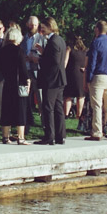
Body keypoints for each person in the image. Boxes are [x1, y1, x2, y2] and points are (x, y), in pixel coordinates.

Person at [84, 20, 107, 141]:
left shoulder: (96, 43)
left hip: (99, 76)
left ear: (97, 29)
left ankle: (97, 132)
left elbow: (92, 63)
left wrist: (88, 79)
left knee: (97, 105)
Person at [35, 17, 66, 145]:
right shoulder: (60, 40)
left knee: (48, 107)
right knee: (58, 107)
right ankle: (60, 135)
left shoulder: (53, 41)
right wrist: (43, 52)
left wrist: (38, 59)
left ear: (50, 26)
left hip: (52, 79)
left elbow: (54, 61)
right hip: (59, 78)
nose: (41, 30)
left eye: (43, 27)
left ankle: (49, 136)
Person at [0, 25, 30, 144]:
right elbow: (23, 68)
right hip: (18, 84)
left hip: (7, 83)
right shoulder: (19, 51)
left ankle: (5, 137)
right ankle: (21, 137)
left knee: (6, 109)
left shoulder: (3, 50)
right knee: (20, 110)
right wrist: (27, 80)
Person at [64, 33, 88, 120]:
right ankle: (79, 115)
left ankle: (66, 114)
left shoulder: (69, 48)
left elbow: (65, 62)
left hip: (71, 73)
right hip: (81, 74)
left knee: (68, 95)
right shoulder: (85, 50)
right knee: (80, 96)